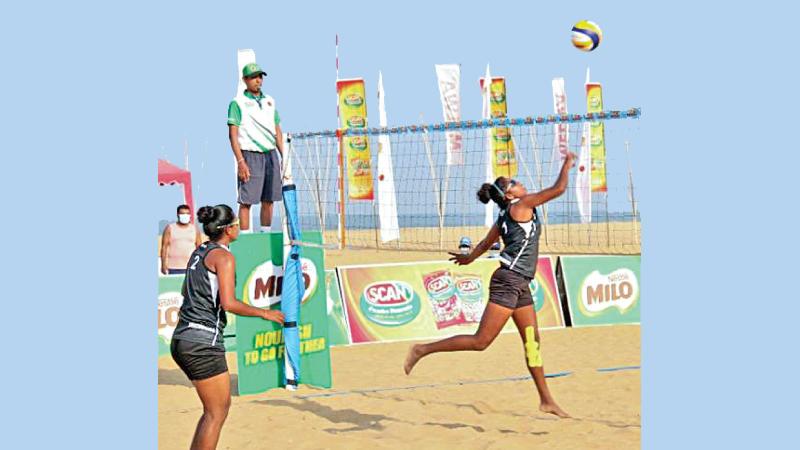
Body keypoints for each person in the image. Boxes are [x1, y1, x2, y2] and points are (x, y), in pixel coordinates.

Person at [403, 152, 577, 419]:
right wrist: (567, 164)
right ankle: (422, 349)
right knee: (481, 341)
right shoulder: (523, 204)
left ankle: (546, 400)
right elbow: (559, 189)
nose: (519, 183)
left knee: (532, 342)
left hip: (519, 283)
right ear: (509, 195)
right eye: (514, 183)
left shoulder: (505, 216)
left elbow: (485, 244)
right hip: (509, 281)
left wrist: (468, 258)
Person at [170, 204, 285, 449]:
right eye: (235, 223)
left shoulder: (200, 250)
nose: (238, 226)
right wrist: (265, 313)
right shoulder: (224, 257)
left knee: (212, 411)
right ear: (228, 230)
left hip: (182, 337)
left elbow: (186, 290)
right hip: (202, 342)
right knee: (217, 412)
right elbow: (229, 303)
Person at [227, 62, 284, 233]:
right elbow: (233, 134)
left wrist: (284, 157)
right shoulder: (238, 103)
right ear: (245, 80)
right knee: (247, 201)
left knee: (269, 199)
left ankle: (264, 234)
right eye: (253, 77)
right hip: (250, 154)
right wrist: (241, 161)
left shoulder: (270, 101)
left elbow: (277, 130)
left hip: (270, 154)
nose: (257, 80)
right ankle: (245, 238)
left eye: (260, 76)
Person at [160, 204, 203, 275]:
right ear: (178, 215)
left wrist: (200, 265)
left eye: (187, 213)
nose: (185, 215)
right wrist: (163, 264)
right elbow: (164, 247)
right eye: (182, 213)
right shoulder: (170, 228)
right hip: (173, 267)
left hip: (191, 266)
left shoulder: (194, 229)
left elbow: (199, 248)